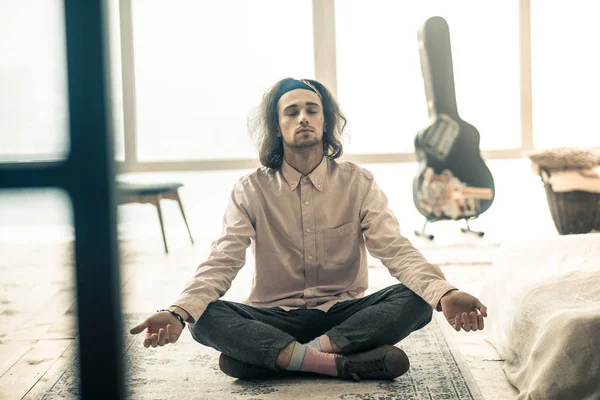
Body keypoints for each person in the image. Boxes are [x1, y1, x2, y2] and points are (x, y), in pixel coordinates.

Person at [130, 78, 488, 381]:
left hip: (343, 315)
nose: (303, 117)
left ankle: (284, 360)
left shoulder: (358, 183)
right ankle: (335, 363)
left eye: (312, 110)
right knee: (203, 317)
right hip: (274, 316)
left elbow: (395, 247)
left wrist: (444, 293)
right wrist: (178, 312)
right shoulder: (250, 189)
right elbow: (223, 259)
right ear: (276, 126)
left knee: (418, 301)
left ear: (325, 121)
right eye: (292, 111)